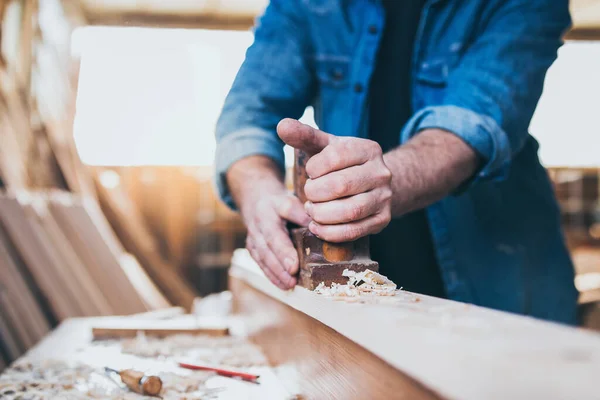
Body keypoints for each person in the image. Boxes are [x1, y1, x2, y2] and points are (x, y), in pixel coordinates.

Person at [214, 0, 578, 324]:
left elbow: (473, 126)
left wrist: (384, 181)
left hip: (502, 290)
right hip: (355, 303)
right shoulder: (307, 6)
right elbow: (247, 116)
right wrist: (260, 194)